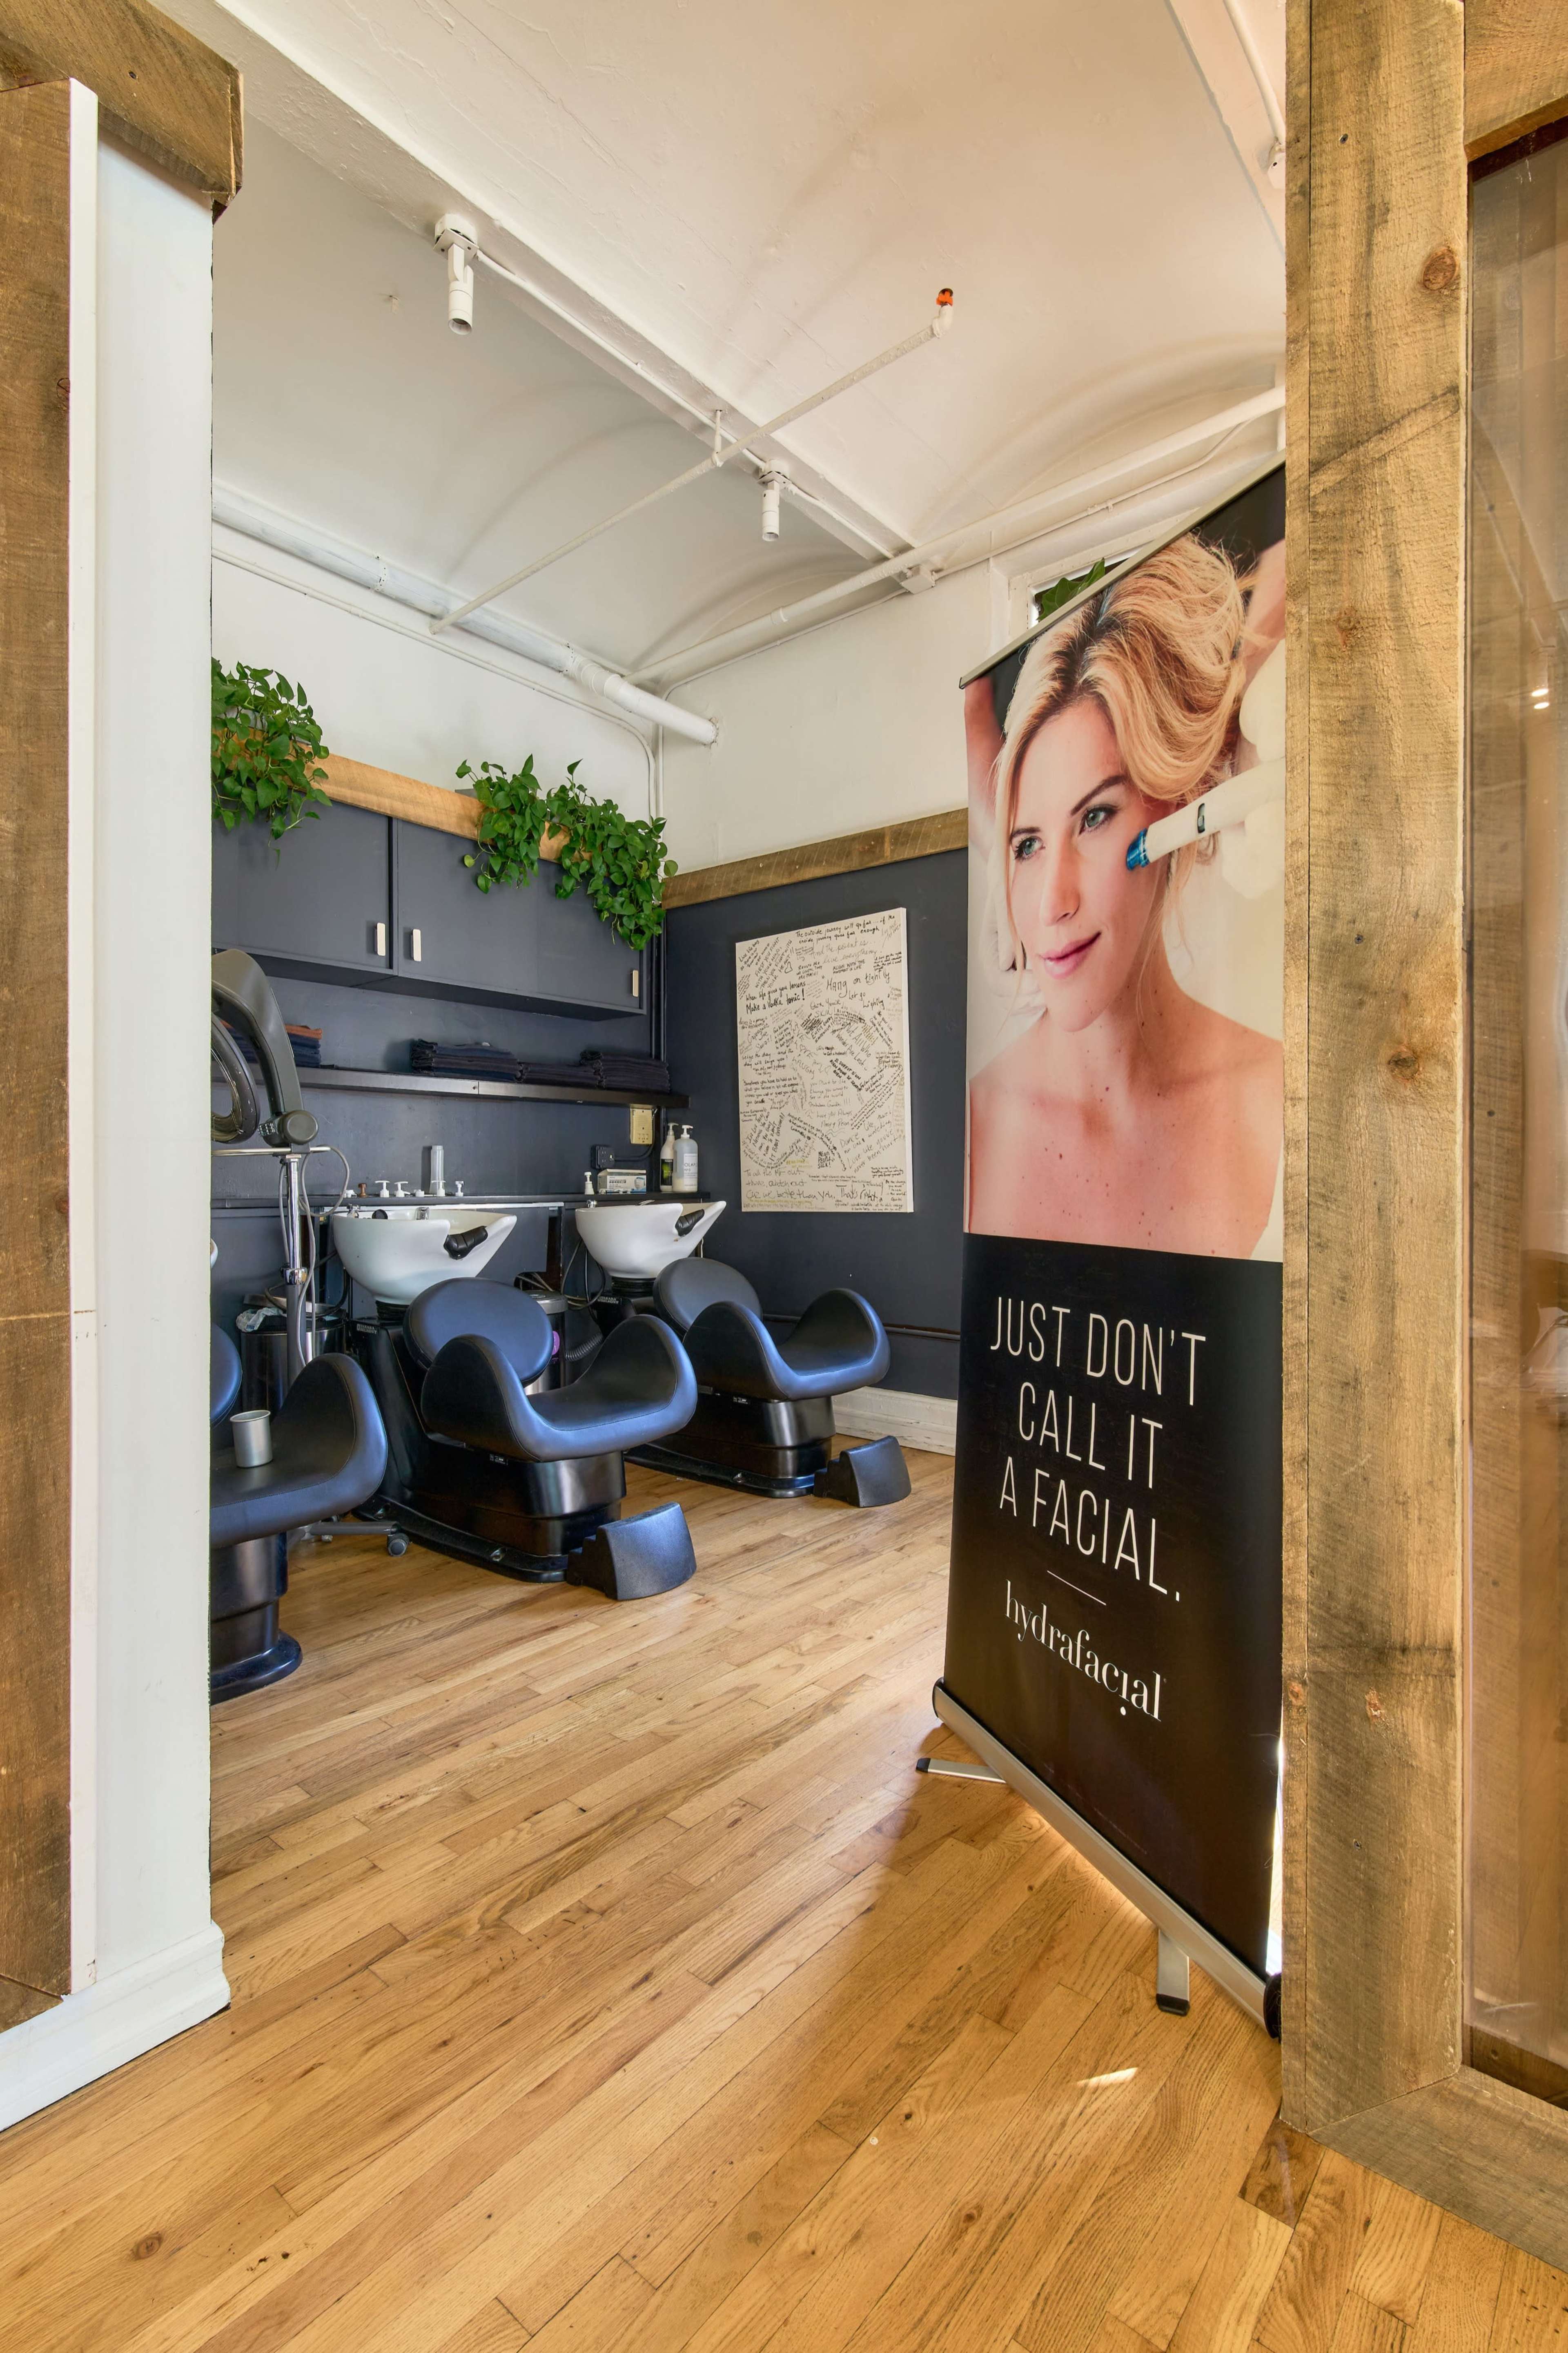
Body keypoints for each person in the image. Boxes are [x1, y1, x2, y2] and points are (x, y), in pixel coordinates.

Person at [967, 532, 1283, 1259]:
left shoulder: (1279, 1101)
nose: (1052, 902)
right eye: (1027, 844)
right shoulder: (983, 1118)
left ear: (1177, 805)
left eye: (1097, 817)